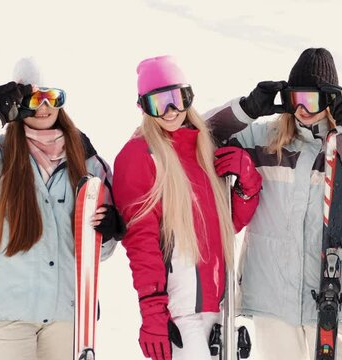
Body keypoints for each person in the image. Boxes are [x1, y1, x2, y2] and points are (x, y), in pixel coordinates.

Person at [204, 47, 342, 360]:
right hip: (272, 296)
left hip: (333, 296)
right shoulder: (264, 138)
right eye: (296, 99)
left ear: (331, 100)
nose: (302, 109)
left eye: (313, 99)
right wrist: (246, 110)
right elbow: (194, 137)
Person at [0, 58, 123, 360]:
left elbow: (97, 254)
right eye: (34, 98)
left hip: (68, 315)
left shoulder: (88, 163)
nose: (45, 105)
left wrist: (108, 232)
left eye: (53, 96)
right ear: (18, 103)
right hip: (9, 316)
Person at [112, 55, 261, 360]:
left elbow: (226, 225)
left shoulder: (205, 147)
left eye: (177, 98)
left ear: (188, 97)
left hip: (222, 309)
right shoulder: (139, 156)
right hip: (180, 314)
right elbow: (141, 243)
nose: (170, 111)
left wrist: (248, 184)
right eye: (158, 103)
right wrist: (153, 313)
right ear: (143, 107)